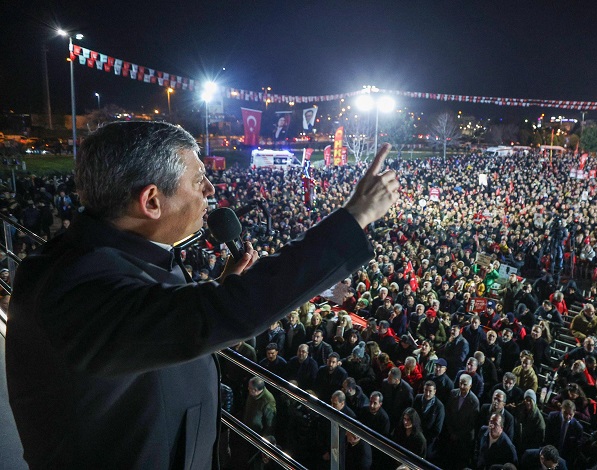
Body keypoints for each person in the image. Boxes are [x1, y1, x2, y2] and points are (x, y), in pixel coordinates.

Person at [6, 121, 398, 469]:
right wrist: (355, 217)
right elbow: (225, 313)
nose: (210, 189)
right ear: (151, 201)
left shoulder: (109, 255)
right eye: (198, 180)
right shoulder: (77, 290)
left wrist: (219, 288)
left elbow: (159, 325)